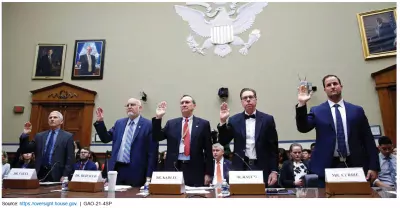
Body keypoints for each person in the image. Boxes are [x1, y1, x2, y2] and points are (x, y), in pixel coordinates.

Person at [295, 75, 379, 187]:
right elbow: (303, 128)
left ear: (341, 86)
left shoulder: (356, 110)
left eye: (335, 83)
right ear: (325, 89)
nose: (332, 86)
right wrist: (301, 104)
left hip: (355, 164)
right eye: (328, 85)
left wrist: (373, 166)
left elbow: (368, 139)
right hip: (327, 166)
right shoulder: (317, 111)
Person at [218, 88, 279, 187]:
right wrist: (223, 122)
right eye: (245, 98)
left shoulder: (268, 119)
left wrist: (274, 170)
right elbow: (223, 140)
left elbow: (273, 148)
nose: (248, 100)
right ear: (242, 102)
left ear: (256, 99)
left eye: (251, 97)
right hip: (240, 167)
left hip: (261, 166)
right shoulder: (234, 120)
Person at [93, 98, 158, 187]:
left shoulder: (149, 125)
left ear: (140, 108)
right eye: (127, 105)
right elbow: (106, 138)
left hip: (137, 171)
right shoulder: (119, 123)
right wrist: (100, 122)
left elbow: (152, 153)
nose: (129, 107)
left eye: (132, 105)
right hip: (117, 169)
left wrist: (149, 176)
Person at [153, 95, 213, 187]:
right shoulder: (171, 123)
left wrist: (208, 173)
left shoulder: (203, 124)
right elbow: (158, 137)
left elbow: (208, 151)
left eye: (187, 102)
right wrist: (158, 118)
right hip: (174, 167)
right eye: (182, 103)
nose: (184, 105)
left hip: (195, 168)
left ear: (194, 106)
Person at [20, 111, 75, 182]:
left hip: (57, 172)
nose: (52, 119)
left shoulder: (67, 136)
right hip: (40, 172)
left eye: (55, 117)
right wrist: (25, 134)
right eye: (50, 117)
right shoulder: (40, 136)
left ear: (61, 121)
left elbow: (70, 158)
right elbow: (25, 149)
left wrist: (65, 175)